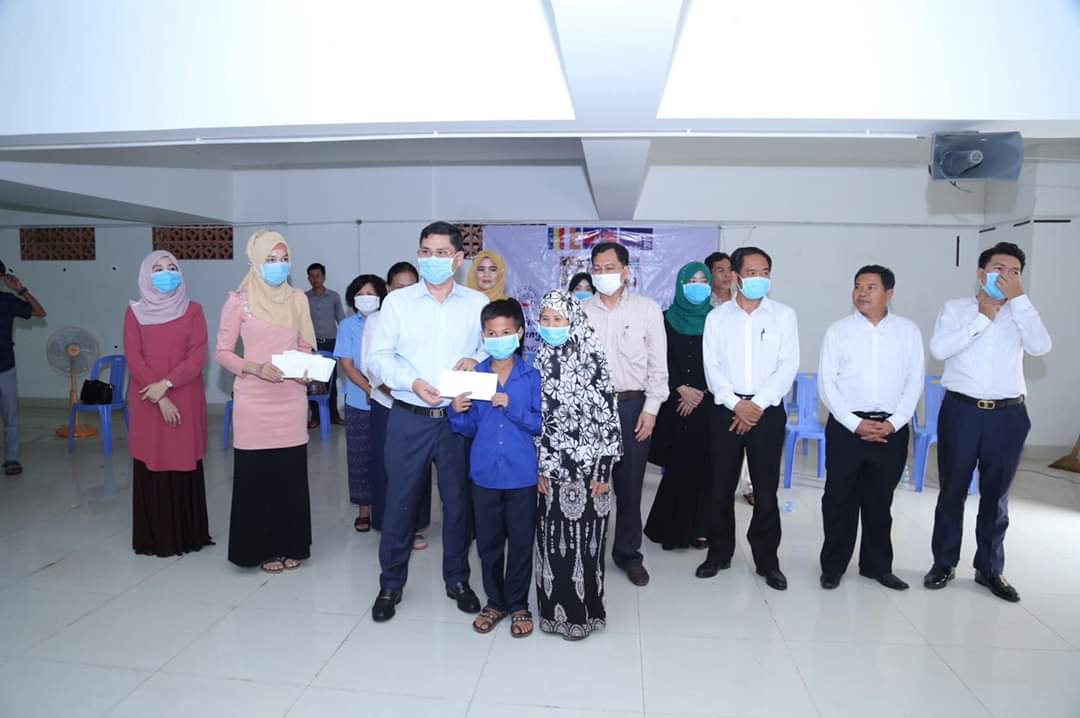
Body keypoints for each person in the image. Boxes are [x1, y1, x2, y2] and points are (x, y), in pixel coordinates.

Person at [368, 221, 488, 622]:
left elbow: (494, 350)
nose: (431, 259)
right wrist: (411, 382)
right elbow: (377, 359)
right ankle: (390, 583)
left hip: (457, 419)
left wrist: (477, 359)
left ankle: (457, 579)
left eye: (441, 253)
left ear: (458, 259)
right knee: (400, 503)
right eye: (425, 251)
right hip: (409, 416)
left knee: (458, 504)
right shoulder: (398, 303)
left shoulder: (476, 303)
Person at [924, 242, 1051, 602]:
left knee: (996, 497)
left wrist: (1020, 301)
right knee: (952, 491)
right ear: (981, 273)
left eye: (1014, 272)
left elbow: (1041, 346)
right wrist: (983, 318)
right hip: (962, 412)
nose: (1005, 276)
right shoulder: (956, 309)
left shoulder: (1023, 313)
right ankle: (944, 563)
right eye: (998, 268)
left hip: (1008, 415)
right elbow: (940, 349)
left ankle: (990, 569)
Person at [818, 265, 924, 590]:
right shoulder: (838, 331)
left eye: (871, 287)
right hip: (847, 428)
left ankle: (877, 566)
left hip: (891, 429)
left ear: (889, 293)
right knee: (839, 499)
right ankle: (833, 566)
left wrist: (893, 423)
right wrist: (854, 424)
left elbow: (914, 382)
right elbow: (827, 384)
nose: (862, 293)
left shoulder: (908, 332)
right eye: (858, 286)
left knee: (880, 502)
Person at [216, 230, 316, 573]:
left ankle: (291, 543)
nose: (278, 266)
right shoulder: (238, 302)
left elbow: (305, 346)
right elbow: (222, 353)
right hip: (253, 399)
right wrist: (254, 367)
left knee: (290, 475)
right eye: (271, 260)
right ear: (256, 262)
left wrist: (305, 371)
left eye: (284, 259)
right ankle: (259, 548)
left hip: (291, 397)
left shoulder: (297, 299)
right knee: (255, 476)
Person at [699, 246, 798, 591]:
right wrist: (735, 404)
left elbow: (787, 365)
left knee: (766, 491)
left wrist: (755, 405)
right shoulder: (717, 318)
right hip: (725, 410)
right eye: (752, 272)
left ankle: (768, 561)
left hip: (766, 413)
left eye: (765, 272)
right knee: (720, 488)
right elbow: (712, 367)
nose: (760, 278)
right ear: (736, 276)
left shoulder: (783, 316)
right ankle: (719, 553)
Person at [448, 298, 541, 637]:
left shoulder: (532, 376)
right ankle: (495, 602)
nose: (498, 338)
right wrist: (456, 411)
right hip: (485, 473)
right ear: (483, 336)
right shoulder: (475, 376)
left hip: (521, 475)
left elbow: (540, 424)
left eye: (505, 332)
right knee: (488, 544)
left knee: (520, 543)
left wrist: (512, 406)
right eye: (491, 333)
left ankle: (518, 604)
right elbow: (468, 427)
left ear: (519, 333)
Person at [535, 290, 622, 640]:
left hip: (589, 473)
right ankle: (552, 616)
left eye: (558, 319)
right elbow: (537, 422)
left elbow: (609, 419)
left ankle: (584, 617)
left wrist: (602, 470)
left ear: (574, 322)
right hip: (552, 471)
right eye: (545, 319)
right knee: (552, 544)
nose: (551, 326)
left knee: (586, 546)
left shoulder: (593, 358)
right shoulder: (540, 359)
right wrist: (540, 468)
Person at [582, 242, 668, 587]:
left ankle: (628, 554)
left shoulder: (647, 309)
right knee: (591, 485)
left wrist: (651, 410)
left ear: (626, 271)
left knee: (630, 486)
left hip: (633, 407)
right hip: (591, 409)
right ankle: (588, 551)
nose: (603, 274)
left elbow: (658, 365)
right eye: (597, 268)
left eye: (610, 268)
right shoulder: (579, 312)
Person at [124, 251, 212, 557]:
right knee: (153, 459)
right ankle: (155, 537)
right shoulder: (134, 313)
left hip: (185, 396)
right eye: (158, 269)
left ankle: (189, 535)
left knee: (183, 458)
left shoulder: (193, 311)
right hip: (147, 399)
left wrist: (168, 384)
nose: (166, 273)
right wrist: (160, 396)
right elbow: (134, 358)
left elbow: (197, 356)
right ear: (146, 276)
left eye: (172, 267)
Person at [361, 261, 433, 546]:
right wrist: (399, 393)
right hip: (387, 403)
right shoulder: (376, 320)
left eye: (410, 287)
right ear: (388, 288)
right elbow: (371, 365)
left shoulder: (427, 316)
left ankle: (414, 525)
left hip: (420, 403)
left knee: (417, 466)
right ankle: (387, 525)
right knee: (387, 465)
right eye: (398, 287)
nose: (404, 292)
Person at [644, 262, 713, 551]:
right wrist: (681, 388)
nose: (698, 285)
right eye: (692, 280)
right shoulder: (664, 319)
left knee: (703, 466)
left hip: (707, 402)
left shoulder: (717, 320)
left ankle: (699, 529)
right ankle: (668, 530)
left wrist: (701, 392)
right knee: (678, 465)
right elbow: (656, 358)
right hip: (673, 401)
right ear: (681, 285)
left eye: (703, 280)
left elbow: (722, 361)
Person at [335, 274, 387, 532]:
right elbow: (347, 365)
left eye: (371, 293)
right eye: (360, 294)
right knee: (359, 457)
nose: (366, 298)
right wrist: (369, 388)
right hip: (359, 402)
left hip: (389, 401)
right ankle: (364, 509)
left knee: (386, 457)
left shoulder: (389, 322)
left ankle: (385, 506)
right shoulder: (347, 326)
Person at [707, 250, 755, 506]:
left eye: (729, 270)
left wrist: (743, 404)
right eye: (719, 270)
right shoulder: (707, 308)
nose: (726, 275)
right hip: (717, 391)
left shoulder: (749, 305)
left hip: (748, 394)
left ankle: (748, 485)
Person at [0, 259, 46, 476]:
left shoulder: (7, 301)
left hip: (5, 367)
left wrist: (21, 290)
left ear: (2, 278)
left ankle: (11, 459)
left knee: (11, 418)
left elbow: (40, 313)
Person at [306, 262, 345, 428]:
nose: (315, 279)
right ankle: (315, 417)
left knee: (331, 380)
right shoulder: (304, 298)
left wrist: (346, 341)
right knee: (312, 381)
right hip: (311, 344)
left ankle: (334, 415)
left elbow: (341, 319)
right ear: (308, 278)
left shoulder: (333, 296)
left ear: (324, 277)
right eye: (312, 276)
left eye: (318, 275)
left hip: (331, 343)